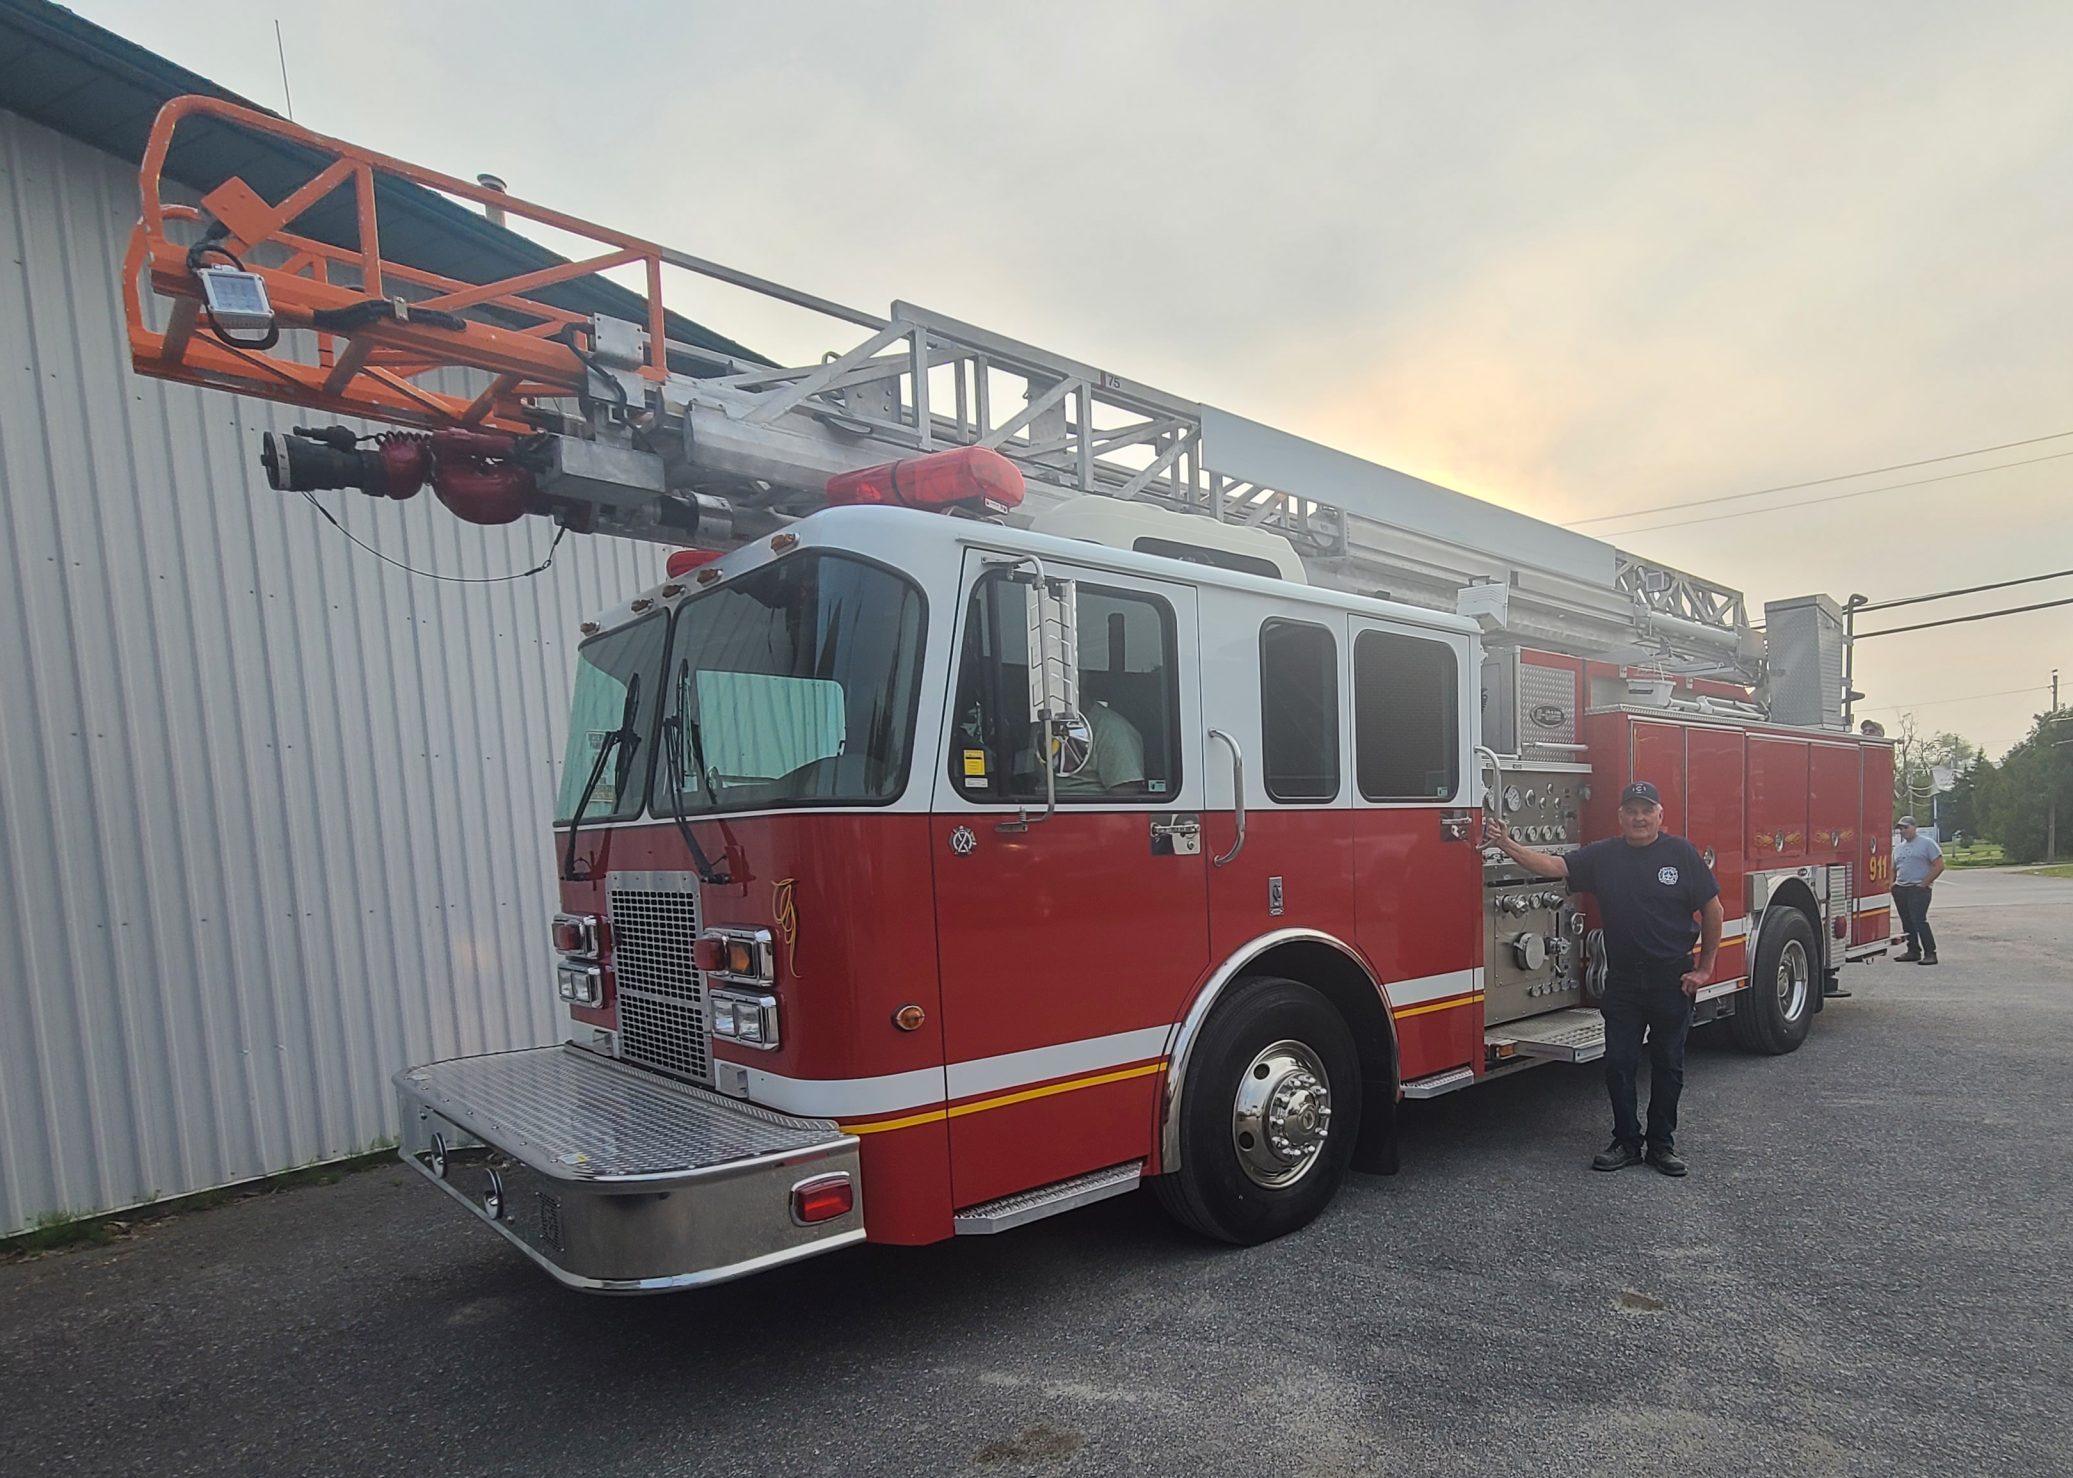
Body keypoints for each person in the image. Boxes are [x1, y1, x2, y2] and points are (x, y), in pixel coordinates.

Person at [1485, 780, 1722, 1178]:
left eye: (1647, 810)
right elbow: (1555, 866)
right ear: (1621, 816)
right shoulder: (1605, 855)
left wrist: (1704, 968)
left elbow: (1712, 910)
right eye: (1631, 810)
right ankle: (1627, 1142)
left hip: (1671, 978)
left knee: (1668, 1065)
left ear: (1660, 815)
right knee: (1619, 1063)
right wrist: (1507, 844)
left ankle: (1662, 1145)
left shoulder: (1680, 854)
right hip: (1625, 980)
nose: (1639, 817)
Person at [1892, 816, 1945, 965]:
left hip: (1918, 889)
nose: (1903, 831)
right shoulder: (1899, 848)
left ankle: (1930, 953)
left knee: (1919, 920)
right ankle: (1913, 950)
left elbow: (1939, 865)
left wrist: (1924, 884)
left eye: (1906, 827)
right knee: (1907, 921)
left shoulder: (1927, 844)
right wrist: (1893, 885)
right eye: (1900, 828)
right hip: (1902, 888)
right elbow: (1893, 868)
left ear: (1914, 827)